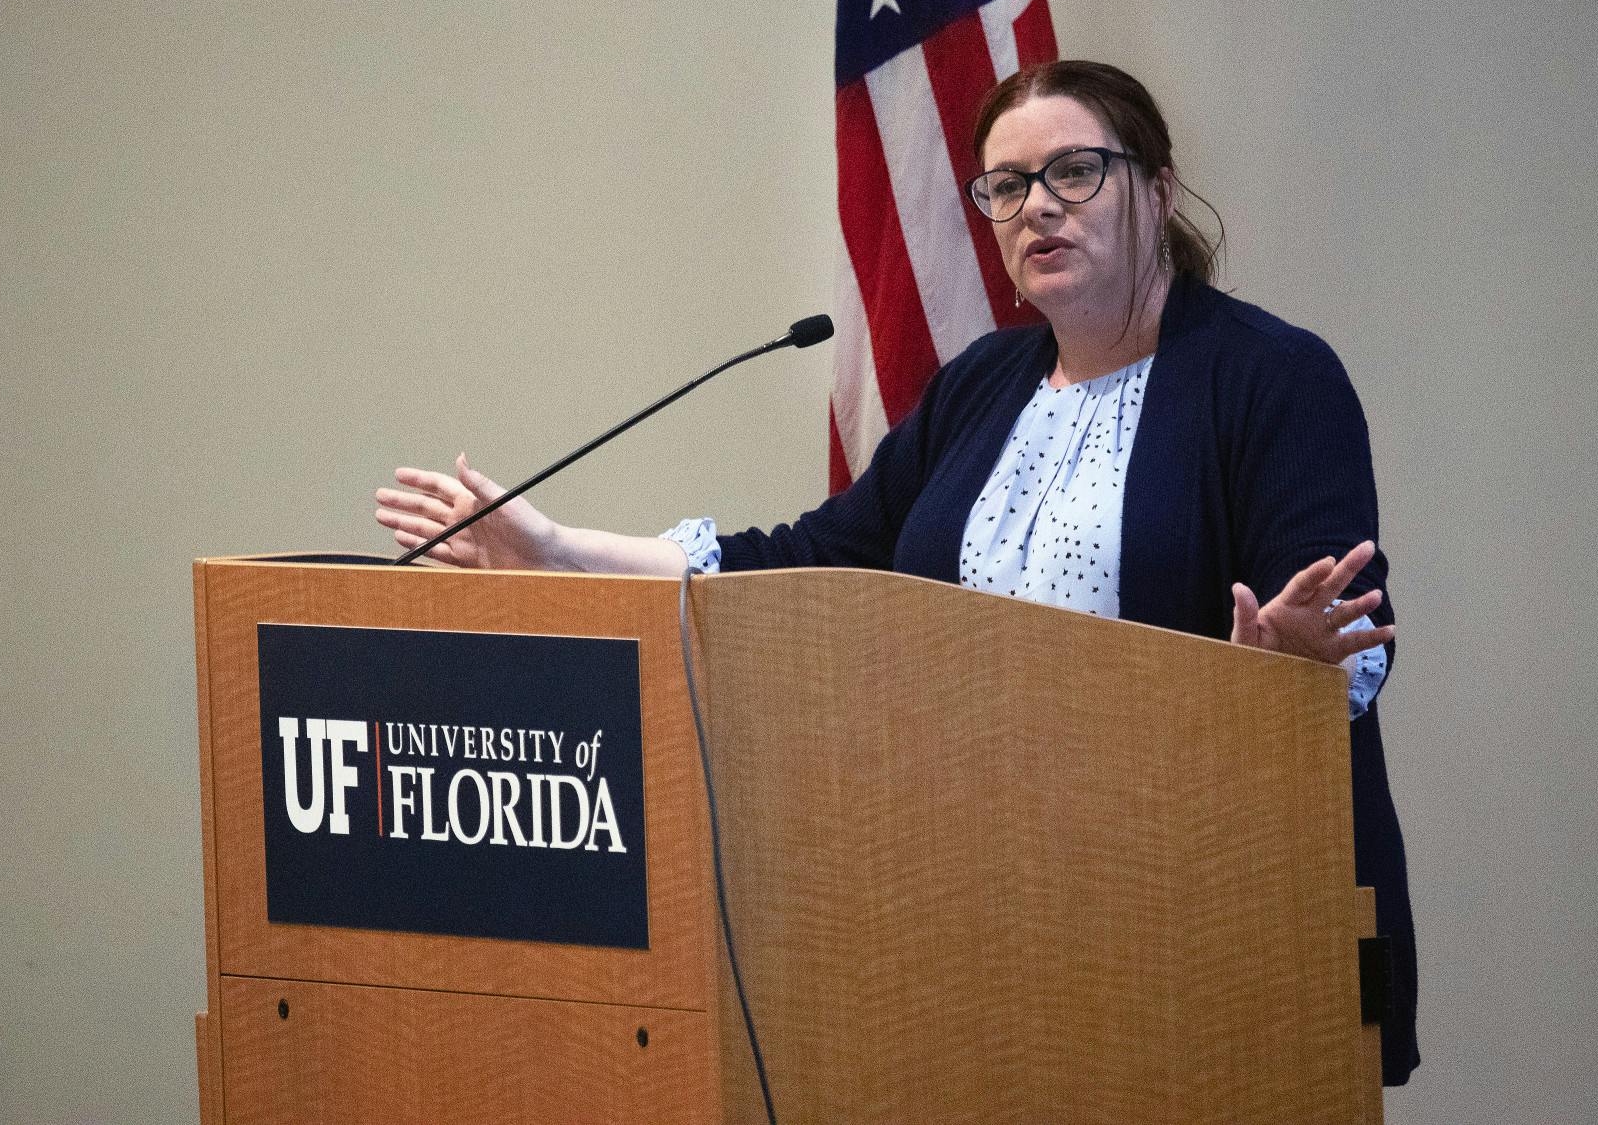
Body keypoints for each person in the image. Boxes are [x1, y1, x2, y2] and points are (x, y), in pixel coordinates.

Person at [373, 60, 1420, 1085]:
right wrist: (554, 550)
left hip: (1200, 907)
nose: (1035, 208)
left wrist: (1272, 672)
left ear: (1153, 186)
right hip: (982, 902)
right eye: (1005, 186)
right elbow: (808, 559)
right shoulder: (982, 386)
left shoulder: (1270, 376)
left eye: (1073, 172)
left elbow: (1341, 640)